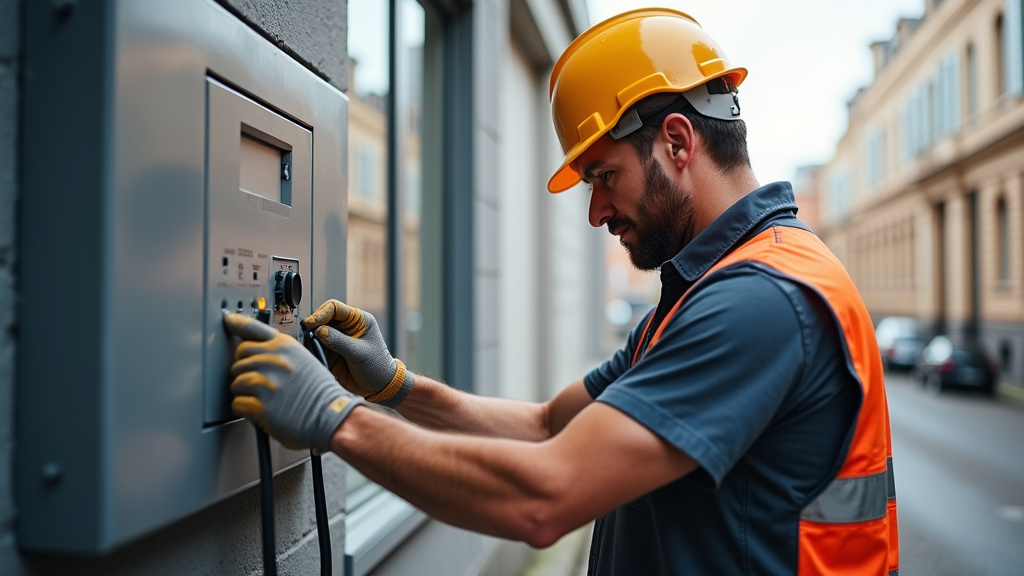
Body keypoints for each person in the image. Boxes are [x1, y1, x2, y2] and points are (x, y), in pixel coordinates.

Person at [223, 8, 899, 575]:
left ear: (677, 142)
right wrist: (396, 387)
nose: (595, 211)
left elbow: (544, 499)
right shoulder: (706, 290)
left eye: (603, 175)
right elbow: (549, 425)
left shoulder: (758, 303)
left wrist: (334, 418)